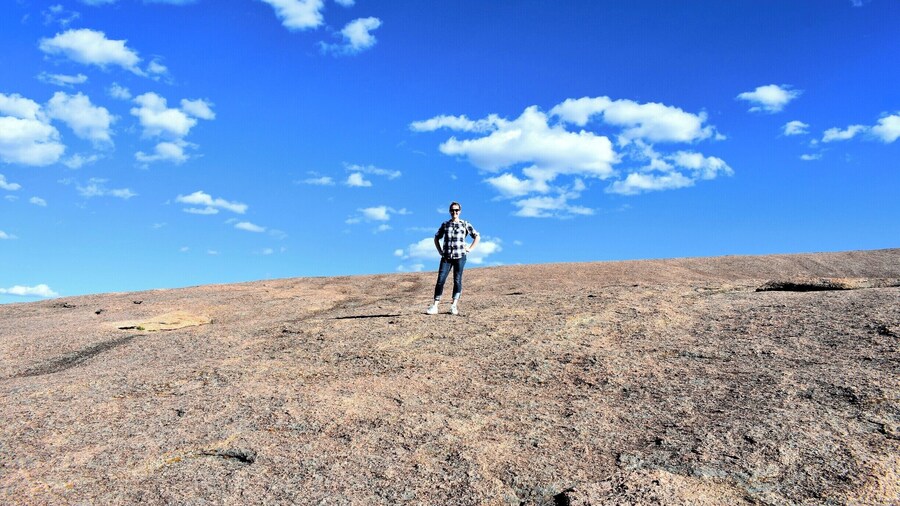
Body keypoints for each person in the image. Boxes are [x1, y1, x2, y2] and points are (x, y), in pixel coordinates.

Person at [426, 201, 480, 316]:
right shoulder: (445, 224)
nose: (454, 212)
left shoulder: (465, 224)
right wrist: (440, 251)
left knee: (457, 279)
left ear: (460, 211)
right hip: (446, 257)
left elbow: (476, 236)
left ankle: (454, 305)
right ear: (449, 211)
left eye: (456, 210)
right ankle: (435, 305)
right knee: (440, 279)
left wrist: (469, 249)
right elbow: (436, 238)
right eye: (452, 210)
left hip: (460, 256)